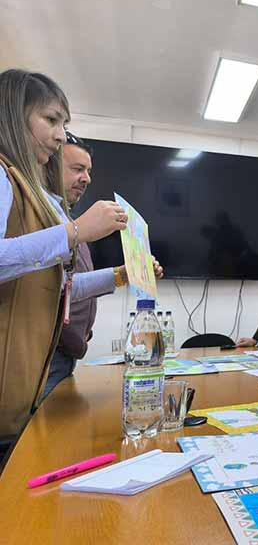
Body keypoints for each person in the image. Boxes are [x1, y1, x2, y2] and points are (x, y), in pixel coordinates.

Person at [0, 69, 128, 458]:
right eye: (51, 120)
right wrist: (75, 232)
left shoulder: (30, 191)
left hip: (22, 387)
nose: (60, 136)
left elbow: (57, 287)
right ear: (13, 114)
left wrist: (119, 276)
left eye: (63, 124)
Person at [42, 132, 164, 398]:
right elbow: (56, 287)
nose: (86, 178)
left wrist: (125, 273)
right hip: (46, 353)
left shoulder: (67, 220)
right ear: (48, 167)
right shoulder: (43, 218)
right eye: (77, 169)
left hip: (63, 352)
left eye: (88, 171)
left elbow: (66, 285)